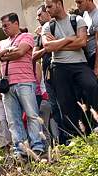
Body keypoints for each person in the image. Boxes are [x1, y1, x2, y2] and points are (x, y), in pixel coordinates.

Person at [0, 13, 48, 159]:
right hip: (7, 86)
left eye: (6, 25)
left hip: (25, 82)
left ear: (16, 23)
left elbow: (20, 51)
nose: (4, 29)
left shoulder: (26, 36)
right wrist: (7, 51)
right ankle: (20, 149)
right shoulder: (2, 42)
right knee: (13, 120)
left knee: (32, 115)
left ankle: (37, 146)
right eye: (2, 26)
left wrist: (2, 56)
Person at [42, 0, 98, 140]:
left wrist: (58, 43)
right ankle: (75, 137)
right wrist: (68, 39)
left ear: (59, 4)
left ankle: (95, 124)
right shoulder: (47, 27)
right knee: (65, 102)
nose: (47, 10)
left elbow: (82, 42)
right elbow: (47, 47)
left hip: (80, 64)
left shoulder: (77, 19)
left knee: (92, 86)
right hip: (59, 67)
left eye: (49, 6)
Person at [34, 3, 65, 143]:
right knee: (55, 107)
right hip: (48, 73)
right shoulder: (40, 34)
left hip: (64, 68)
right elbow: (34, 55)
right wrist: (48, 46)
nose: (37, 18)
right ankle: (64, 140)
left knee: (67, 103)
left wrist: (54, 43)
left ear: (47, 12)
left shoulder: (60, 25)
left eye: (40, 14)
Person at [75, 0, 98, 69]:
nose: (77, 5)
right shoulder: (85, 13)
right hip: (87, 56)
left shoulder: (97, 15)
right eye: (76, 2)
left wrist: (96, 67)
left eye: (80, 2)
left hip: (94, 56)